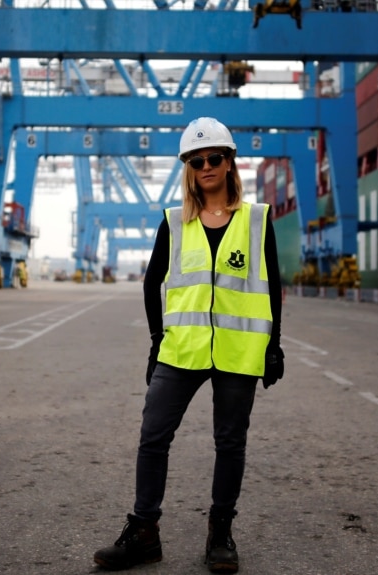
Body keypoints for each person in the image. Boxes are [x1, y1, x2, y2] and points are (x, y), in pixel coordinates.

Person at [94, 117, 285, 574]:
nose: (206, 166)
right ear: (188, 168)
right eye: (196, 161)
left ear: (229, 162)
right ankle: (143, 532)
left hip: (239, 351)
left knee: (230, 443)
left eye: (214, 157)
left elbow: (273, 284)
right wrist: (156, 341)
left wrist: (274, 345)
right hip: (181, 350)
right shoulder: (175, 223)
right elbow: (150, 284)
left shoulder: (256, 220)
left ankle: (221, 533)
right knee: (153, 436)